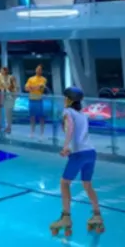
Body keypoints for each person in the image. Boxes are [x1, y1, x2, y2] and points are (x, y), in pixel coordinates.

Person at [49, 87, 104, 236]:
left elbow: (71, 128)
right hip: (91, 152)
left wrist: (66, 146)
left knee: (64, 183)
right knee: (87, 185)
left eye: (65, 97)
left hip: (78, 153)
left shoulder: (67, 112)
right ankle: (97, 215)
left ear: (68, 99)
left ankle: (66, 218)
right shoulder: (82, 114)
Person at [25, 64, 47, 140]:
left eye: (40, 69)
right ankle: (32, 132)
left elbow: (40, 88)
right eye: (37, 69)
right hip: (31, 100)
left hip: (39, 100)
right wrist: (35, 88)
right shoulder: (30, 79)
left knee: (41, 118)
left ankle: (42, 134)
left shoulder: (43, 79)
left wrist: (32, 87)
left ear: (41, 71)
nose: (38, 70)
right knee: (32, 117)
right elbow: (26, 88)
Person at [0, 67, 17, 134]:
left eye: (2, 71)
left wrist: (14, 97)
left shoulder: (11, 77)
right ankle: (8, 126)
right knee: (6, 113)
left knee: (9, 113)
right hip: (5, 97)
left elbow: (15, 87)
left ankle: (9, 127)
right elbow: (2, 89)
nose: (1, 72)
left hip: (10, 97)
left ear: (6, 71)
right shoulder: (1, 79)